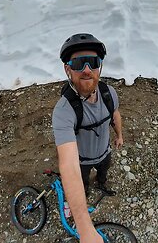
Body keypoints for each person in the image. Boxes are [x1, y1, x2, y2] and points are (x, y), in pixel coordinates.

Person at [52, 33, 124, 243]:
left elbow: (116, 114)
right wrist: (85, 229)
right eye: (77, 63)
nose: (86, 69)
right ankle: (82, 194)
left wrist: (119, 135)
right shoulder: (63, 111)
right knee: (81, 181)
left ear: (99, 67)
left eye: (93, 62)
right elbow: (68, 165)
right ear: (67, 69)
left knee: (103, 172)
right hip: (81, 161)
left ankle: (101, 183)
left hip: (104, 153)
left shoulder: (109, 93)